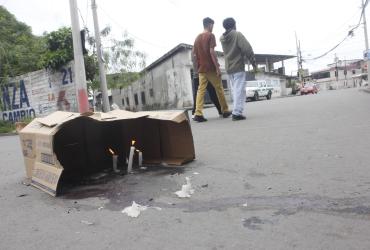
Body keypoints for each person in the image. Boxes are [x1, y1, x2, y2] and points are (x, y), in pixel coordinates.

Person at [192, 17, 231, 122]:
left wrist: (197, 69)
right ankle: (225, 110)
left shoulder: (197, 38)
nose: (213, 27)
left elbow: (194, 55)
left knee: (201, 90)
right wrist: (217, 67)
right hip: (210, 68)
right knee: (219, 88)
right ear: (209, 25)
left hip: (201, 69)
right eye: (212, 25)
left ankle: (198, 113)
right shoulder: (210, 35)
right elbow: (212, 52)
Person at [220, 17, 256, 121]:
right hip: (238, 66)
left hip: (229, 68)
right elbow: (247, 49)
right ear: (234, 25)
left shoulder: (222, 38)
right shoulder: (237, 34)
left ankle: (236, 111)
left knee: (236, 91)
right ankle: (237, 113)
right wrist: (253, 63)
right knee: (239, 91)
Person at [191, 50, 222, 118]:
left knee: (199, 94)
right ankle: (220, 110)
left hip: (198, 74)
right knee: (212, 93)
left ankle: (195, 113)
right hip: (202, 74)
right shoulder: (198, 49)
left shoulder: (193, 51)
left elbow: (195, 62)